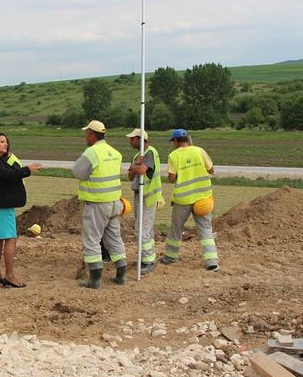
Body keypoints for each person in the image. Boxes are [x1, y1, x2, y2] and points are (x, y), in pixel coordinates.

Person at [0, 132, 42, 287]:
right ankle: (9, 276)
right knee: (10, 238)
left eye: (6, 142)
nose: (5, 144)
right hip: (0, 205)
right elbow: (7, 174)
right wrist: (27, 169)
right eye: (1, 142)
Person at [72, 120, 127, 288]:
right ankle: (121, 276)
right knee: (114, 239)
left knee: (91, 240)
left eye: (86, 134)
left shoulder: (92, 152)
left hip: (97, 203)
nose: (85, 137)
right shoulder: (115, 153)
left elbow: (78, 172)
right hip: (114, 202)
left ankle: (95, 280)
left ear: (91, 134)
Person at [161, 129, 220, 271]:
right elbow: (211, 170)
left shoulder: (173, 155)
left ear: (175, 141)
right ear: (188, 139)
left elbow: (172, 178)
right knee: (205, 229)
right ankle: (211, 261)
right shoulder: (199, 151)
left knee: (176, 228)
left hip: (183, 199)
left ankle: (170, 257)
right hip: (203, 199)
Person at [126, 128, 164, 276]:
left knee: (144, 229)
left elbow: (141, 170)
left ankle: (149, 260)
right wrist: (134, 166)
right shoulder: (138, 155)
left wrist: (133, 166)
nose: (130, 141)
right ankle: (144, 257)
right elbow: (130, 176)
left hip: (148, 197)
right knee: (138, 229)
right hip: (139, 195)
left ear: (140, 139)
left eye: (132, 139)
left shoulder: (150, 152)